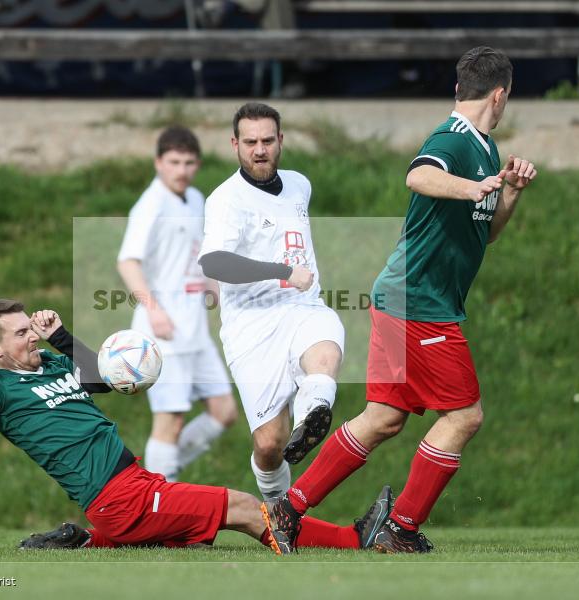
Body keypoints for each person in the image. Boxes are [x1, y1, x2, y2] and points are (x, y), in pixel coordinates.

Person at [261, 46, 539, 554]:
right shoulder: (452, 139)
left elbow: (486, 234)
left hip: (405, 298)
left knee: (384, 417)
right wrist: (472, 186)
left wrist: (510, 191)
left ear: (460, 87)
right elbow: (418, 175)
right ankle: (401, 528)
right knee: (464, 417)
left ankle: (288, 509)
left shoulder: (486, 149)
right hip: (419, 303)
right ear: (500, 95)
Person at [0, 293, 387, 551]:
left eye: (29, 328)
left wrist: (59, 336)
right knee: (246, 508)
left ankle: (87, 541)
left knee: (187, 537)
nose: (31, 336)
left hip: (134, 482)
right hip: (118, 499)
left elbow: (102, 379)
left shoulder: (52, 364)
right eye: (21, 333)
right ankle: (357, 540)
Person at [198, 102, 344, 500]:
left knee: (325, 352)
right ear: (235, 144)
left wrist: (294, 279)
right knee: (268, 445)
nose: (259, 150)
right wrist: (282, 270)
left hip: (302, 307)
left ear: (280, 140)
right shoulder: (225, 200)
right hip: (251, 324)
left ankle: (312, 414)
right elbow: (214, 262)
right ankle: (279, 510)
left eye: (266, 141)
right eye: (250, 143)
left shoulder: (299, 185)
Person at [116, 126, 237, 483]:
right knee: (170, 420)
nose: (181, 170)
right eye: (173, 162)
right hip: (163, 335)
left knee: (224, 411)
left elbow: (200, 256)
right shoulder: (151, 204)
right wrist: (154, 310)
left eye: (188, 162)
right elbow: (128, 262)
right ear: (158, 163)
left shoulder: (197, 199)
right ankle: (159, 492)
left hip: (195, 332)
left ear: (197, 164)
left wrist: (214, 291)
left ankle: (155, 479)